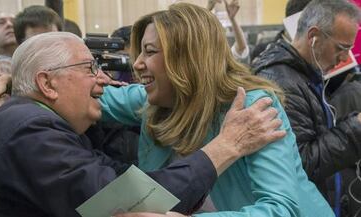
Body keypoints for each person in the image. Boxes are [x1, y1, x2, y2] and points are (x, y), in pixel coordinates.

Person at [0, 31, 285, 217]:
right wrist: (226, 146)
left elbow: (120, 177)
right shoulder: (28, 131)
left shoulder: (40, 122)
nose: (102, 79)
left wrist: (11, 80)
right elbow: (125, 199)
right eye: (89, 68)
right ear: (48, 84)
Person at [94, 3, 332, 216]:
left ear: (187, 59)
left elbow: (280, 209)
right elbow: (83, 97)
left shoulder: (252, 106)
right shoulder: (152, 100)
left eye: (150, 51)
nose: (136, 63)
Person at [251, 0, 361, 216]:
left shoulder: (304, 75)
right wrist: (356, 128)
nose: (342, 59)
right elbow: (302, 164)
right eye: (341, 48)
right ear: (313, 37)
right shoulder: (283, 83)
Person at [207, 0, 250, 64]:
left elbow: (241, 47)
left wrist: (232, 19)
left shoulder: (225, 56)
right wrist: (208, 10)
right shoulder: (203, 54)